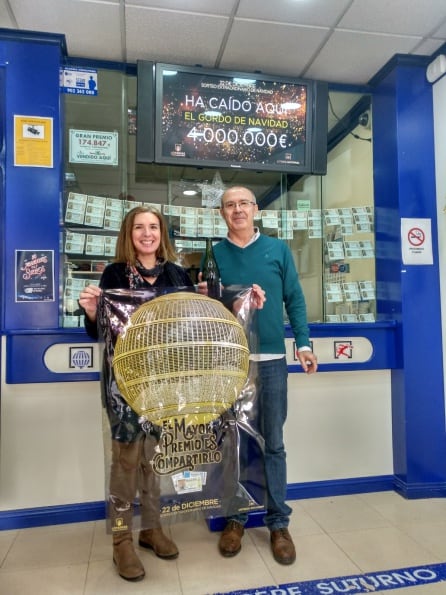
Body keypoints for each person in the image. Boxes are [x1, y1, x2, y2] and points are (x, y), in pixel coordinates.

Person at [78, 205, 194, 582]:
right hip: (124, 383)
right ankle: (121, 541)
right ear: (128, 234)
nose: (147, 234)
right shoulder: (114, 274)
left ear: (163, 233)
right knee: (126, 460)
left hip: (164, 383)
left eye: (154, 227)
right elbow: (98, 334)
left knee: (154, 458)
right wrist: (93, 313)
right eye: (139, 228)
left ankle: (152, 529)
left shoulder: (177, 274)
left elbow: (191, 327)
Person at [206, 186, 318, 565]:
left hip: (271, 361)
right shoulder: (214, 255)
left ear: (256, 210)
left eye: (244, 204)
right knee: (233, 444)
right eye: (230, 205)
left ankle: (278, 523)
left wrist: (302, 344)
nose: (237, 210)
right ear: (221, 213)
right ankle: (235, 519)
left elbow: (295, 300)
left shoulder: (278, 250)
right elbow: (208, 308)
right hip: (230, 363)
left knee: (273, 442)